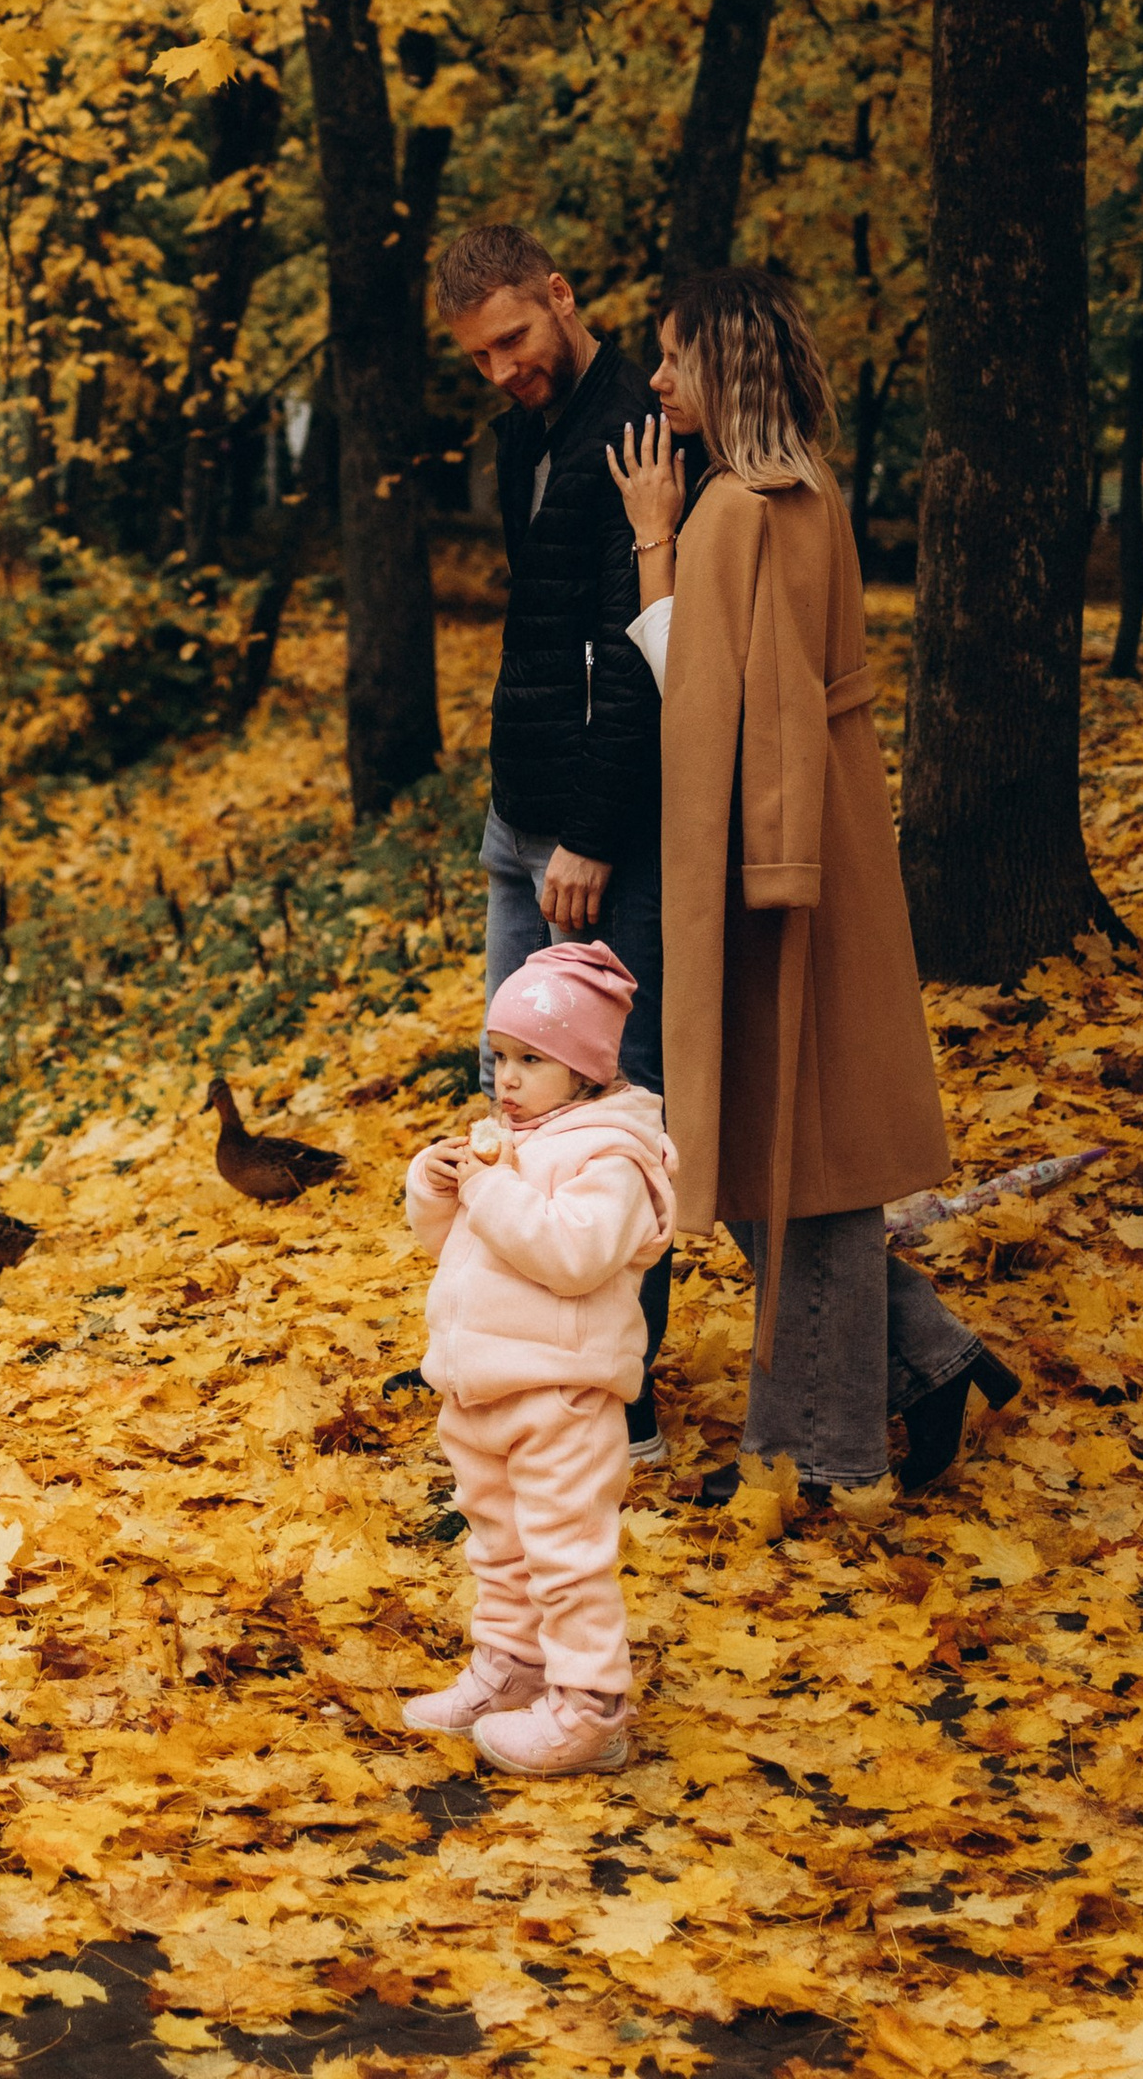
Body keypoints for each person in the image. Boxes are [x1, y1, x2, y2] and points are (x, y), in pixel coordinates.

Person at [608, 266, 1019, 1498]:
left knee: (799, 1154)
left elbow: (711, 694)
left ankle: (818, 1454)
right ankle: (928, 1366)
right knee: (781, 1143)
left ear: (726, 365)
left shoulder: (739, 507)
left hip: (774, 854)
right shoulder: (796, 489)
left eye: (676, 357)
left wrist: (648, 539)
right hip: (808, 827)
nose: (658, 379)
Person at [434, 224, 673, 1457]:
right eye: (477, 357)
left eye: (513, 341)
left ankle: (619, 1414)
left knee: (606, 1119)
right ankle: (531, 1375)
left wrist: (590, 833)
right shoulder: (521, 430)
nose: (501, 371)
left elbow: (640, 649)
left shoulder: (637, 425)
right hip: (513, 814)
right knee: (509, 1105)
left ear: (563, 297)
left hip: (596, 835)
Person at [400, 942, 676, 1777]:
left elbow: (572, 1254)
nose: (506, 1079)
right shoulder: (514, 1138)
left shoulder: (612, 1156)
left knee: (565, 1558)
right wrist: (438, 1182)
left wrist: (489, 1187)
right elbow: (449, 1240)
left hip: (560, 1396)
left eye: (531, 1060)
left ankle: (591, 1707)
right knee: (500, 1546)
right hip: (480, 1388)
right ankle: (513, 1670)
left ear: (587, 1069)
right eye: (500, 1058)